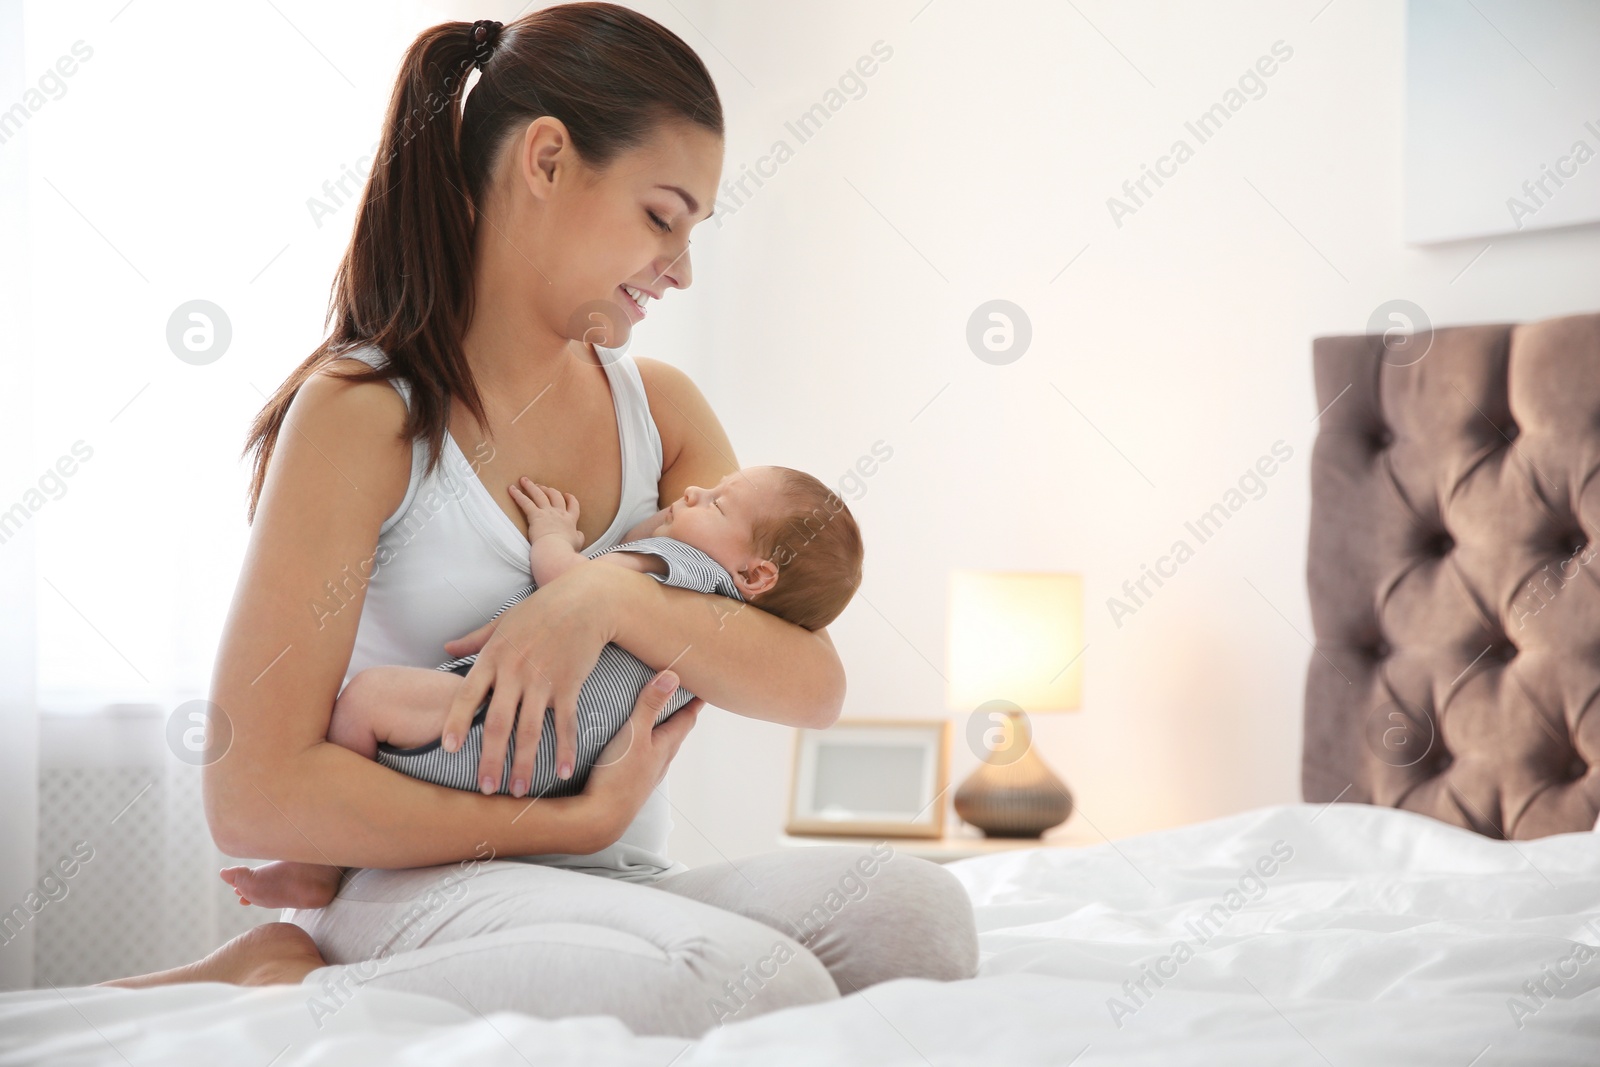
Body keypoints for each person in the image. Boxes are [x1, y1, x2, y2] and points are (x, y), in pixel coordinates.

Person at [97, 4, 976, 1039]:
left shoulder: (663, 410)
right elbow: (250, 794)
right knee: (751, 985)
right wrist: (568, 818)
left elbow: (808, 683)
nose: (680, 267)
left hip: (605, 878)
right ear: (547, 160)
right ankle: (292, 966)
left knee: (918, 918)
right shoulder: (366, 414)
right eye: (662, 216)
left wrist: (601, 590)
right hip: (415, 889)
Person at [219, 463, 864, 909]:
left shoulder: (683, 566)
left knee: (364, 700)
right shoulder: (730, 634)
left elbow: (573, 582)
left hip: (487, 733)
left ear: (755, 576)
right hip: (565, 769)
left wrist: (554, 537)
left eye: (717, 502)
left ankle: (318, 866)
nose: (693, 491)